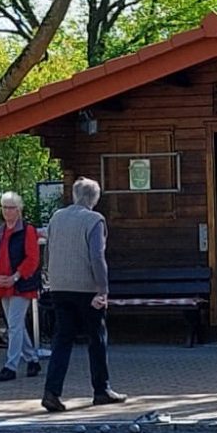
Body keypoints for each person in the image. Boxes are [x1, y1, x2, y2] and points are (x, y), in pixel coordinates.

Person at [41, 176, 126, 413]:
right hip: (86, 288)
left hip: (59, 286)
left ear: (74, 195)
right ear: (94, 198)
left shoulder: (56, 217)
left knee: (62, 340)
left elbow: (48, 250)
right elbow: (97, 256)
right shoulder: (94, 219)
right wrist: (103, 289)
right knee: (96, 338)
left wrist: (49, 275)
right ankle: (101, 390)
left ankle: (51, 392)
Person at [0, 192, 41, 383]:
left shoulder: (28, 230)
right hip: (2, 283)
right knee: (15, 325)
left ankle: (11, 365)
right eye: (5, 207)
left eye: (11, 207)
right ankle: (32, 359)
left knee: (14, 325)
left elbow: (32, 259)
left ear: (19, 209)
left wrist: (15, 276)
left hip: (21, 284)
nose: (7, 211)